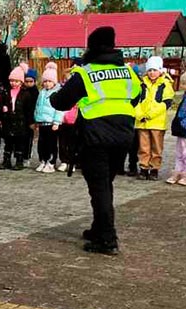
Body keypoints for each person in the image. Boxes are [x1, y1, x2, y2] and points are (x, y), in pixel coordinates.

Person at [50, 26, 139, 255]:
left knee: (99, 188)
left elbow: (61, 102)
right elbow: (139, 96)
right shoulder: (128, 72)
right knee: (105, 185)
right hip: (123, 136)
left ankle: (107, 239)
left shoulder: (85, 73)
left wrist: (54, 93)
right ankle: (99, 228)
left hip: (96, 137)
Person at [134, 55, 175, 180]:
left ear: (160, 70)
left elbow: (166, 103)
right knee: (143, 147)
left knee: (156, 147)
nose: (152, 73)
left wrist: (150, 115)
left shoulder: (165, 84)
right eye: (150, 70)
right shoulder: (141, 84)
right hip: (142, 121)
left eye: (154, 70)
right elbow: (136, 101)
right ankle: (144, 168)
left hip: (157, 122)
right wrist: (139, 114)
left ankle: (154, 169)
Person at [2, 66, 37, 170]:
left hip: (21, 122)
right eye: (12, 81)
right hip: (8, 121)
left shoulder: (25, 94)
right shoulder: (6, 92)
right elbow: (2, 103)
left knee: (19, 143)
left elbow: (29, 109)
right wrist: (2, 109)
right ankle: (6, 160)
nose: (13, 83)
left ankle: (19, 160)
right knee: (8, 142)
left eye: (16, 81)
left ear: (21, 82)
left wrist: (31, 122)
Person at [33, 63, 64, 173]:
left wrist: (57, 122)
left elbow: (60, 108)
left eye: (49, 81)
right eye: (45, 81)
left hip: (51, 123)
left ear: (54, 82)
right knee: (42, 144)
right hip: (42, 122)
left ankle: (51, 162)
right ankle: (43, 160)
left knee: (51, 144)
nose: (47, 84)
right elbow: (37, 106)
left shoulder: (57, 93)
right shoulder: (41, 93)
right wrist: (36, 119)